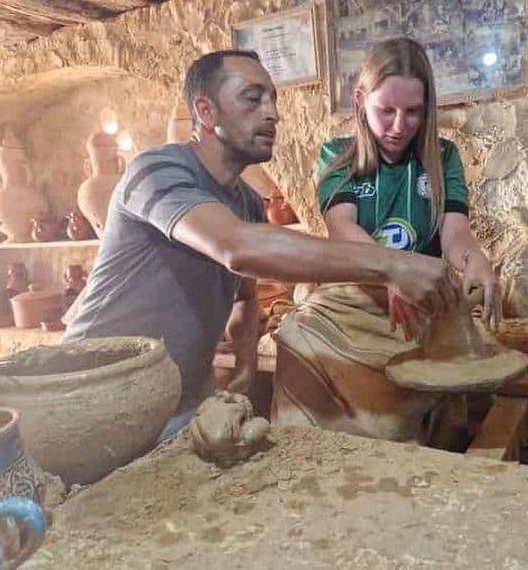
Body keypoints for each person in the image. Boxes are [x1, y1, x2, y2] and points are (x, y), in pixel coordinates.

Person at [63, 49, 462, 440]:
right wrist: (394, 265)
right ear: (206, 112)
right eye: (253, 99)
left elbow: (243, 297)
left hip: (181, 403)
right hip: (91, 393)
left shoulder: (248, 204)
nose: (272, 113)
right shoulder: (156, 169)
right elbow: (235, 247)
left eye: (273, 99)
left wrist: (245, 362)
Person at [272, 37, 501, 444]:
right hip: (356, 295)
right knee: (298, 332)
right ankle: (304, 456)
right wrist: (389, 271)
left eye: (413, 112)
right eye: (386, 111)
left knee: (424, 374)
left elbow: (455, 233)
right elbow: (342, 229)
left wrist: (474, 258)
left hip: (419, 302)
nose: (399, 126)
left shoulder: (442, 156)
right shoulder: (337, 156)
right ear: (361, 101)